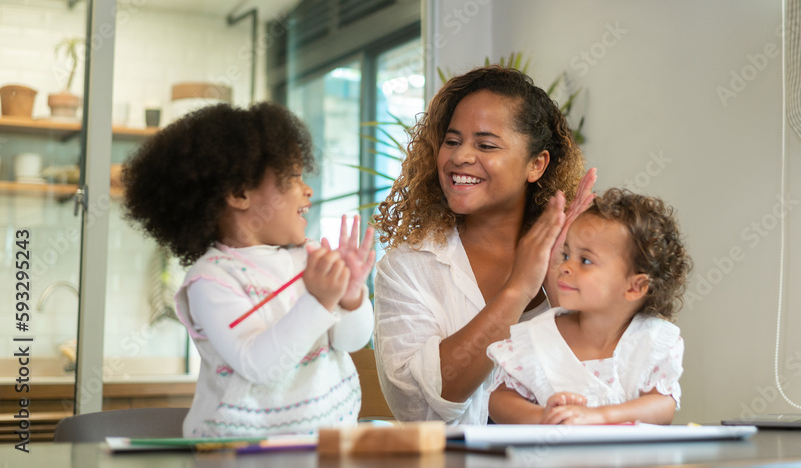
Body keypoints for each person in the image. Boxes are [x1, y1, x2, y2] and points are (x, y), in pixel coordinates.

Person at [122, 102, 376, 437]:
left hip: (326, 445)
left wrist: (351, 297)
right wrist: (318, 301)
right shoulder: (212, 279)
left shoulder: (309, 259)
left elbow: (352, 341)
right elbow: (259, 365)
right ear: (240, 192)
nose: (308, 189)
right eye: (293, 177)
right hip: (239, 451)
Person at [372, 65, 597, 424]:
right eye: (452, 141)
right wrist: (517, 290)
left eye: (486, 145)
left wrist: (559, 290)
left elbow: (616, 383)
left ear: (536, 164)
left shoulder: (579, 263)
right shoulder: (407, 268)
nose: (460, 157)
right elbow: (416, 408)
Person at [487, 188, 690, 425]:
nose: (565, 267)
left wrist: (600, 416)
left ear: (635, 287)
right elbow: (499, 401)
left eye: (585, 260)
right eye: (566, 255)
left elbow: (663, 405)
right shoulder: (537, 337)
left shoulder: (653, 341)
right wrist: (544, 416)